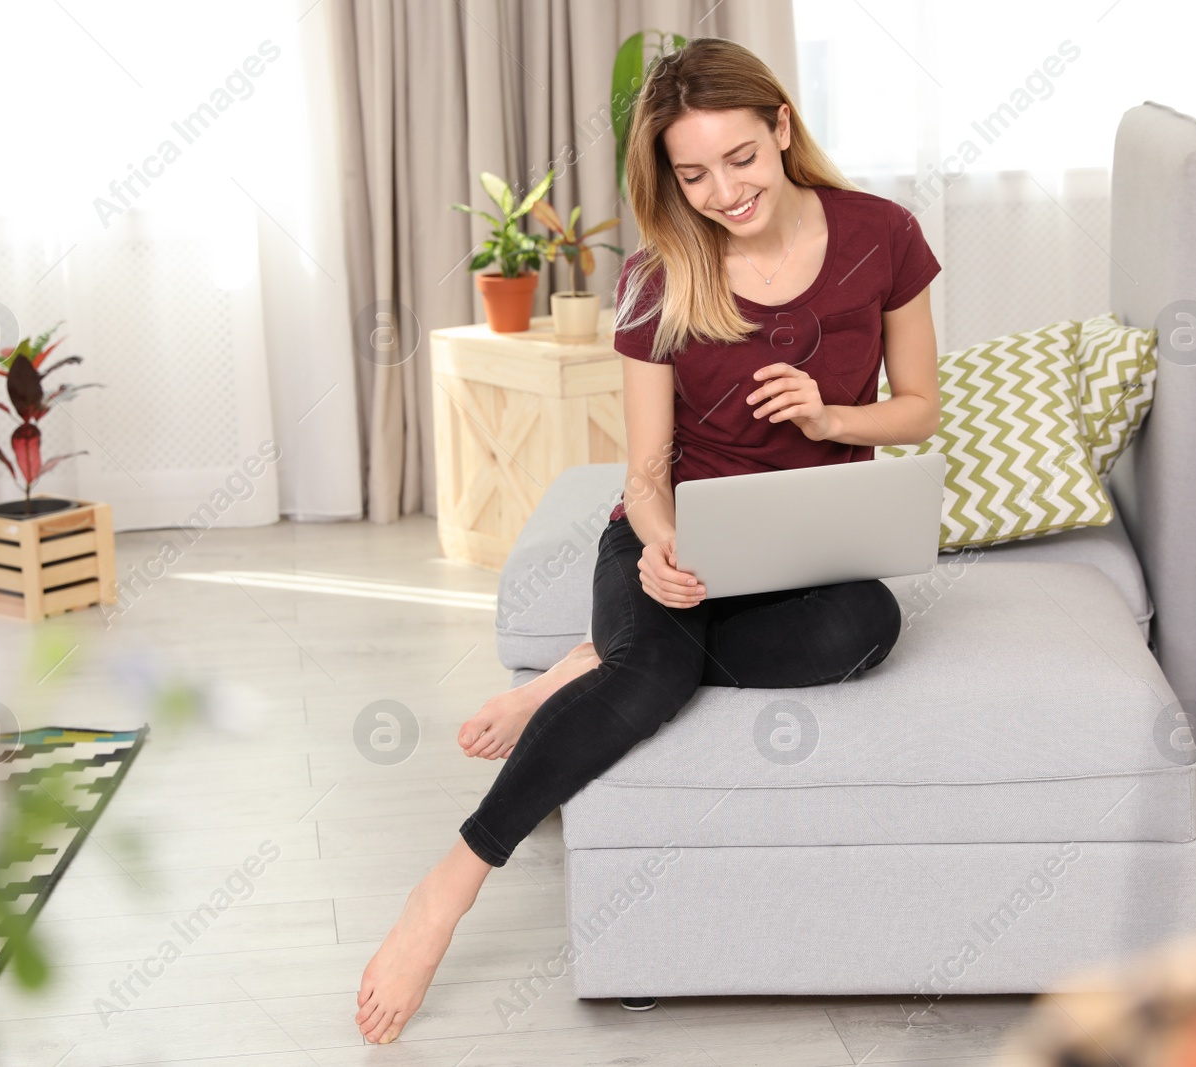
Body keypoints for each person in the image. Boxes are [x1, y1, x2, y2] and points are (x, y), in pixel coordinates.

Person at [354, 36, 942, 1044]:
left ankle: (589, 657)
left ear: (782, 130)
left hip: (800, 548)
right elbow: (644, 467)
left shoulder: (880, 234)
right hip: (671, 537)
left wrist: (829, 418)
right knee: (648, 682)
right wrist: (662, 548)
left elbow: (919, 409)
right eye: (694, 173)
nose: (722, 191)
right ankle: (445, 890)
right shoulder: (659, 272)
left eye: (741, 159)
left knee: (868, 626)